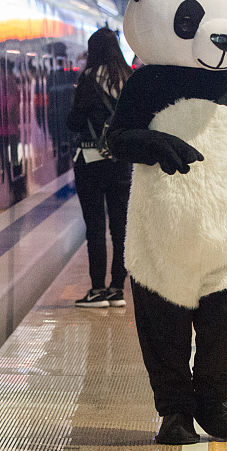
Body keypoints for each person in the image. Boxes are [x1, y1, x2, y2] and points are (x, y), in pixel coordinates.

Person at [67, 28, 133, 308]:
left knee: (95, 228)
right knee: (120, 229)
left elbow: (74, 122)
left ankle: (97, 290)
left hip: (91, 163)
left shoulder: (88, 80)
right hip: (121, 162)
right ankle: (117, 289)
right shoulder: (129, 79)